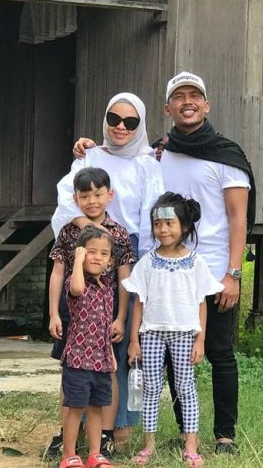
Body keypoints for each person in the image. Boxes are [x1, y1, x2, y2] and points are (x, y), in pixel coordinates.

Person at [75, 72, 255, 455]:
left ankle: (225, 436)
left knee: (219, 351)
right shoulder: (157, 151)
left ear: (206, 105)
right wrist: (88, 149)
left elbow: (238, 217)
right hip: (162, 268)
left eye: (195, 96)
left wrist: (233, 273)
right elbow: (118, 155)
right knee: (172, 354)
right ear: (167, 108)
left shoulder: (227, 155)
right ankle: (182, 432)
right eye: (179, 97)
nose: (187, 102)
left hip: (212, 269)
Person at [49, 93, 164, 457]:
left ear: (141, 125)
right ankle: (69, 433)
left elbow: (151, 212)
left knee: (115, 349)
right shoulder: (90, 155)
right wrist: (86, 228)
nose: (120, 127)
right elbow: (68, 198)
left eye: (131, 122)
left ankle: (112, 433)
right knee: (73, 350)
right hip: (85, 247)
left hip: (124, 253)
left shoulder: (149, 163)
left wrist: (143, 268)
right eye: (114, 118)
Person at [124, 193, 223, 467]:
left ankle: (191, 446)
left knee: (185, 387)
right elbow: (139, 304)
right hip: (151, 333)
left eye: (169, 223)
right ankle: (148, 445)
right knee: (151, 388)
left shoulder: (195, 262)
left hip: (184, 333)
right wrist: (134, 340)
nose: (163, 229)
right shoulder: (147, 263)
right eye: (158, 224)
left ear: (185, 227)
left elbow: (201, 304)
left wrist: (200, 340)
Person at [47, 167, 135, 460]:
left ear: (110, 195)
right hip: (73, 310)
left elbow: (124, 279)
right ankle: (65, 438)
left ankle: (105, 438)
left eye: (98, 194)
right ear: (76, 198)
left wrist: (121, 317)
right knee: (70, 372)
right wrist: (53, 314)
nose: (92, 201)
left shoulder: (119, 233)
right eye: (85, 196)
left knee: (107, 372)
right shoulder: (69, 231)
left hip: (105, 312)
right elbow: (58, 273)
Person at [58, 226, 119, 468]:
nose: (97, 257)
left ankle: (94, 454)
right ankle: (69, 455)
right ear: (80, 254)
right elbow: (76, 289)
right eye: (91, 252)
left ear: (111, 260)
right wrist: (78, 260)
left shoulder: (108, 288)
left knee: (96, 409)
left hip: (101, 360)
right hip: (78, 360)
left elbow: (105, 326)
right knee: (76, 408)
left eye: (104, 254)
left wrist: (111, 354)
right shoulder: (76, 282)